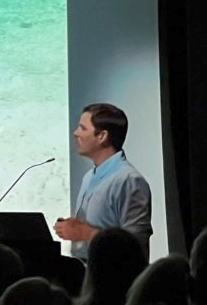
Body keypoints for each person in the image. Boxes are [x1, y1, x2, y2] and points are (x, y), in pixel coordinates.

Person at [55, 103, 152, 261]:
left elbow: (136, 246)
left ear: (102, 136)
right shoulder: (88, 177)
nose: (75, 133)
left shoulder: (128, 180)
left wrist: (86, 233)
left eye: (82, 128)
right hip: (86, 270)